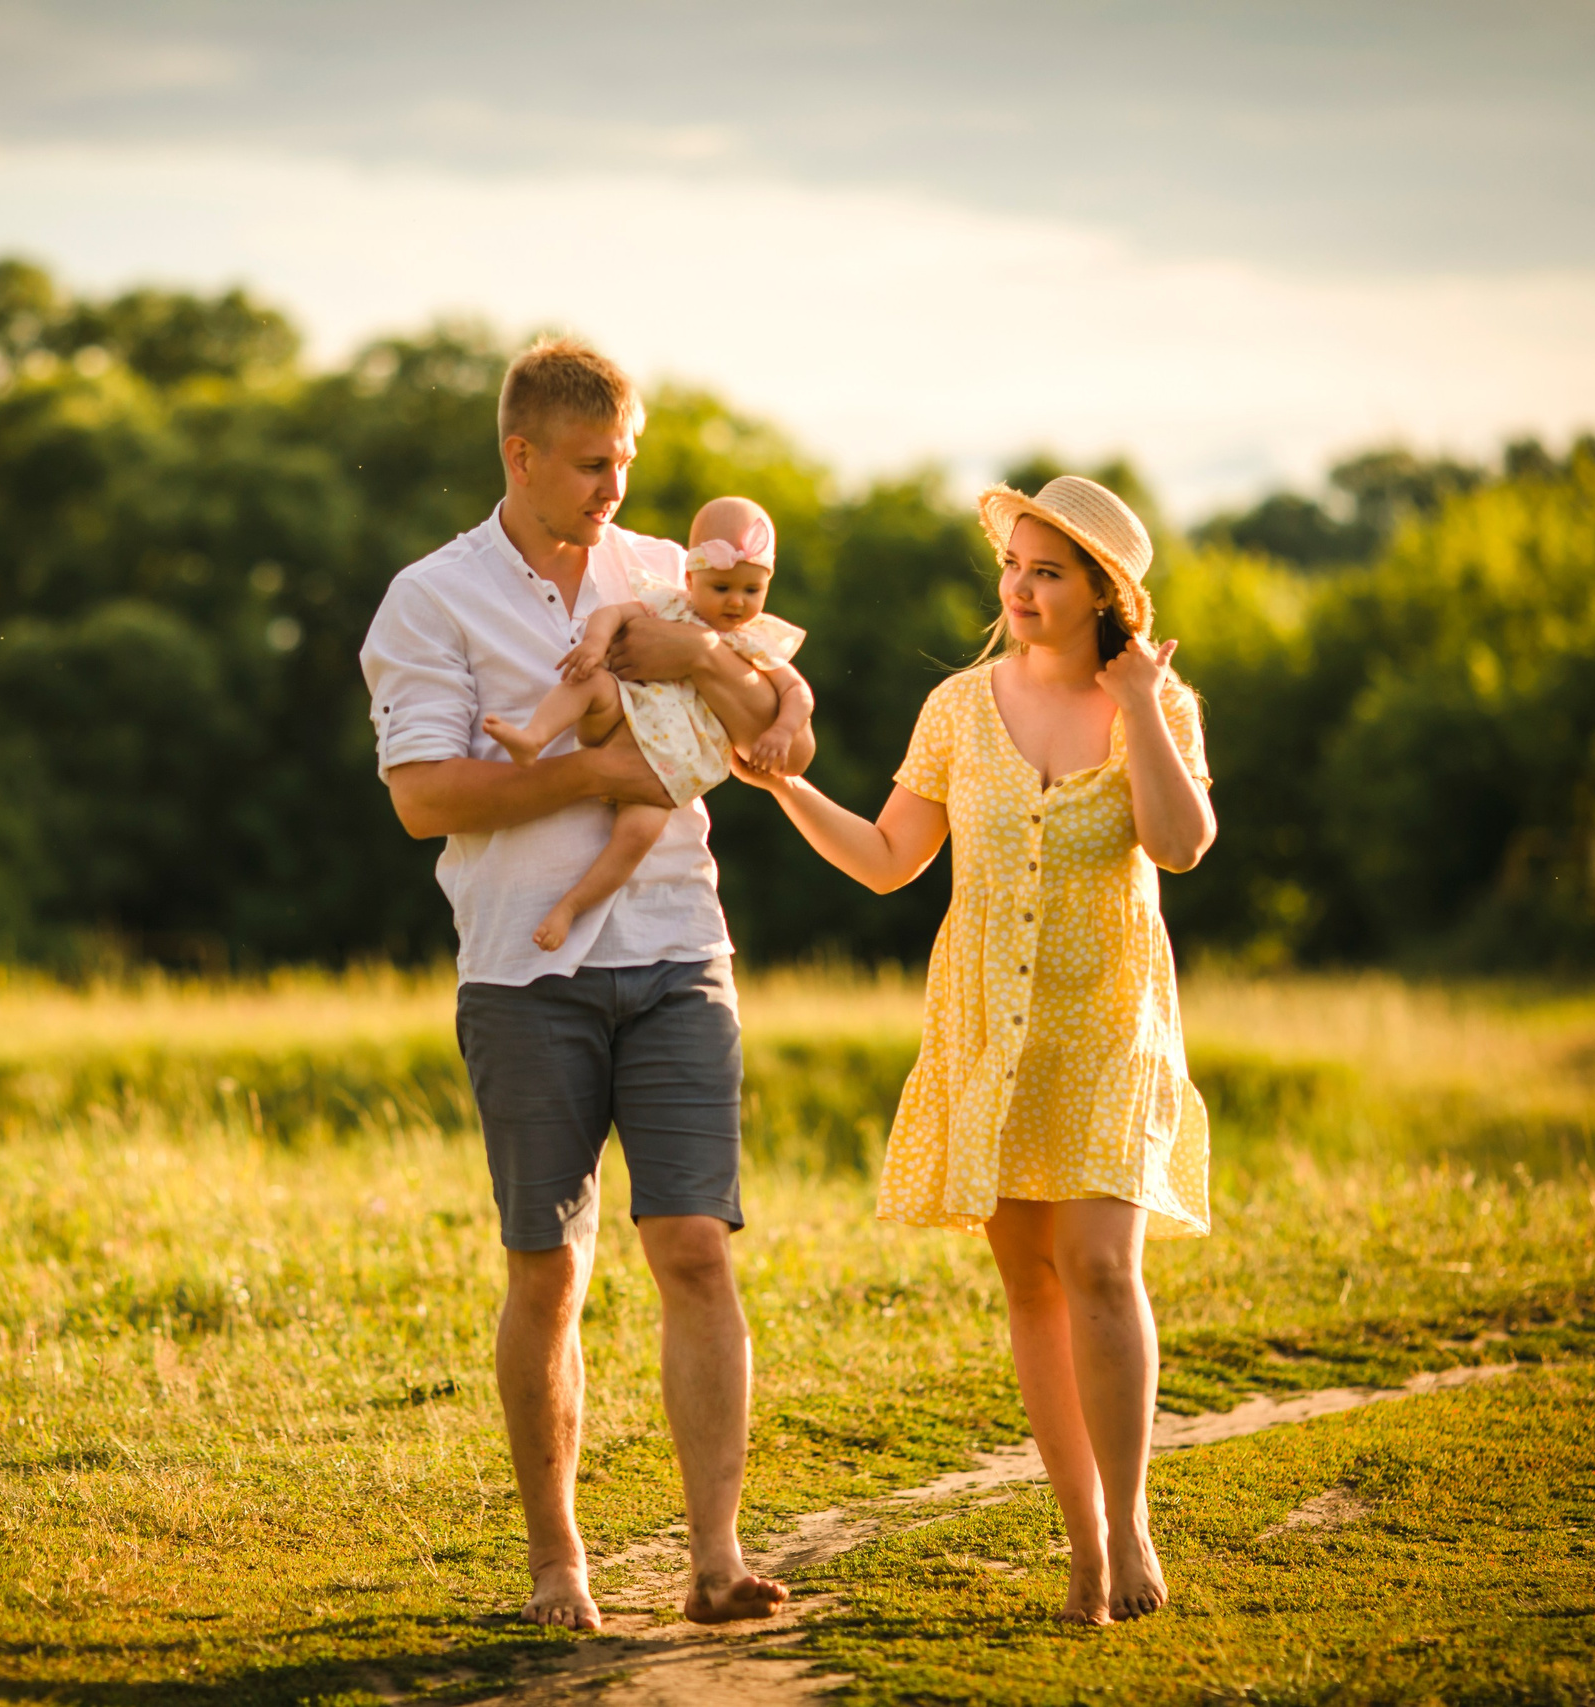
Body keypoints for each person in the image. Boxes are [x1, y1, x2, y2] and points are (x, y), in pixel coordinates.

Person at [358, 336, 811, 1630]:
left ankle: (717, 1557)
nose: (617, 486)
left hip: (678, 952)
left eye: (628, 460)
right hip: (522, 971)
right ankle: (561, 1565)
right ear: (521, 455)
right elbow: (423, 794)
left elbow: (783, 719)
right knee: (547, 1269)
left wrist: (718, 673)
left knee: (695, 1252)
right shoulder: (430, 600)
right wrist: (599, 778)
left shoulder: (667, 572)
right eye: (592, 463)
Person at [729, 473, 1215, 1625]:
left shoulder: (1161, 701)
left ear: (1104, 593)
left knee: (1102, 1265)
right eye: (1015, 567)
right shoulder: (956, 706)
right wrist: (787, 786)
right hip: (986, 1031)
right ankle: (1082, 1541)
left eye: (1048, 572)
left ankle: (1131, 1519)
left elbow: (1181, 845)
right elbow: (892, 857)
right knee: (1033, 1284)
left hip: (1109, 1025)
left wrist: (1142, 703)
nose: (1022, 588)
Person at [484, 494, 814, 951]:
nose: (737, 602)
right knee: (589, 682)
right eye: (721, 588)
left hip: (668, 765)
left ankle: (571, 907)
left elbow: (798, 692)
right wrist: (595, 646)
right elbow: (612, 612)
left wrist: (780, 730)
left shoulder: (754, 642)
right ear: (690, 577)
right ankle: (532, 736)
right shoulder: (670, 606)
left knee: (635, 838)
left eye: (751, 590)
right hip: (624, 712)